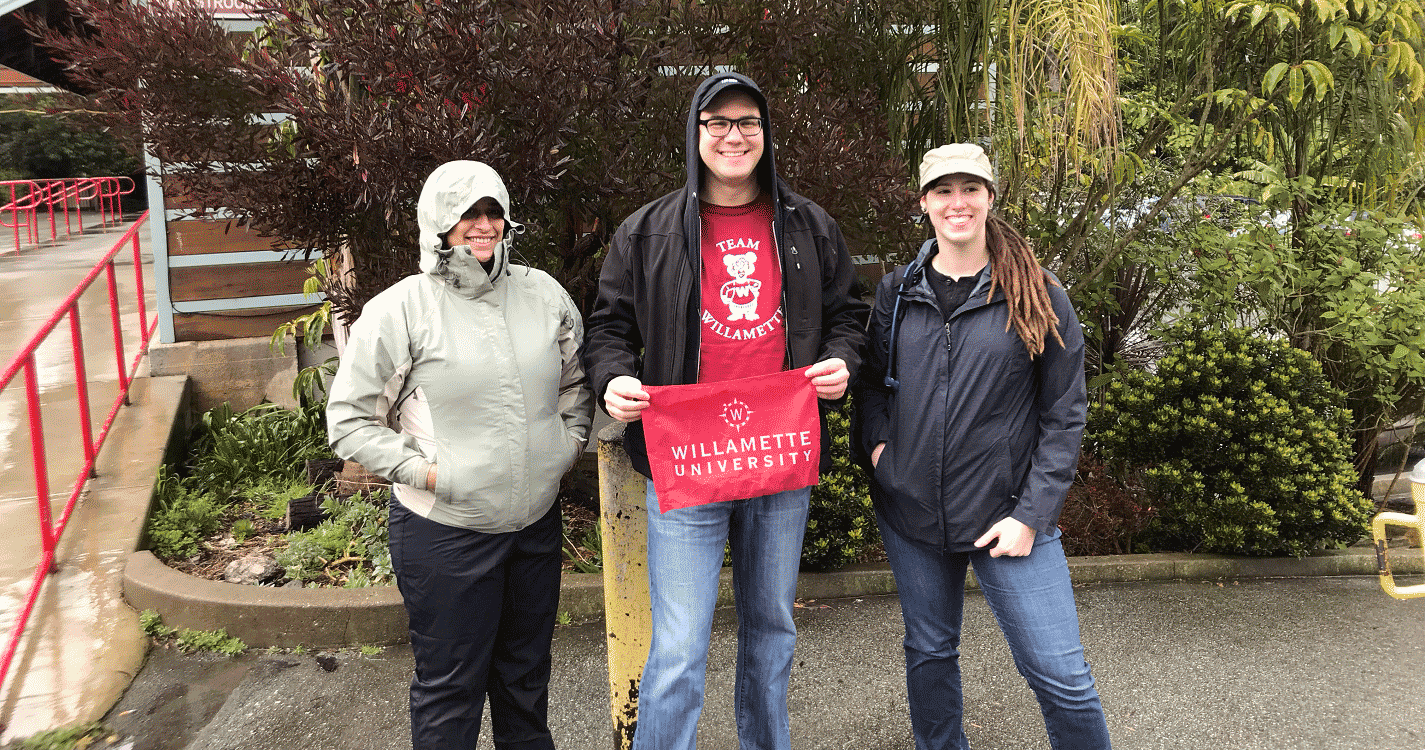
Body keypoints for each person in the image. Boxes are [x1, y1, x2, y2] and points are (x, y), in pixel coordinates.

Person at [580, 73, 868, 750]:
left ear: (765, 137)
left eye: (747, 123)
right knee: (679, 645)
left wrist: (842, 362)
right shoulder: (647, 230)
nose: (733, 135)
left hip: (777, 459)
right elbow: (608, 328)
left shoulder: (806, 225)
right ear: (695, 133)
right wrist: (612, 378)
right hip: (686, 463)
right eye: (717, 122)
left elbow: (847, 316)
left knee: (771, 629)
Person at [326, 160, 593, 750]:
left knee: (525, 683)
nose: (484, 224)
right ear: (437, 224)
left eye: (493, 211)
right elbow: (348, 420)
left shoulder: (542, 293)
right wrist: (427, 473)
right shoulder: (401, 309)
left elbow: (577, 382)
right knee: (452, 691)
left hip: (533, 527)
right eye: (467, 213)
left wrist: (566, 446)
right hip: (446, 532)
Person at [852, 143, 1111, 750]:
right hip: (912, 514)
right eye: (943, 191)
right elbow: (872, 385)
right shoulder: (897, 292)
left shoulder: (1036, 292)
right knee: (930, 653)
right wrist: (881, 454)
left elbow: (1065, 412)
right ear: (924, 203)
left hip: (1009, 519)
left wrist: (1030, 516)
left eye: (970, 189)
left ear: (991, 198)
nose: (957, 203)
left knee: (1062, 676)